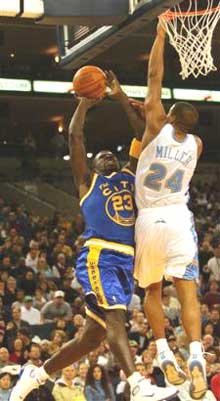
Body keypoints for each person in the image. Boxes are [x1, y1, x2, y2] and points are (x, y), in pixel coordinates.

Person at [9, 72, 177, 401]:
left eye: (111, 154)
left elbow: (141, 132)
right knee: (115, 316)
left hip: (127, 261)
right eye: (101, 156)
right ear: (93, 165)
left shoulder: (130, 174)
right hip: (100, 256)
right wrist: (84, 104)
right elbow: (75, 137)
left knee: (92, 337)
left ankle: (38, 373)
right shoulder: (87, 185)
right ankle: (138, 384)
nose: (108, 156)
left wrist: (118, 95)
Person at [134, 21, 205, 399]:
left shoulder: (155, 124)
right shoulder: (197, 145)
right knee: (188, 291)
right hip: (179, 218)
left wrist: (161, 36)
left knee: (152, 290)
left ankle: (163, 353)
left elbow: (153, 76)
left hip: (149, 219)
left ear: (168, 116)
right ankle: (196, 354)